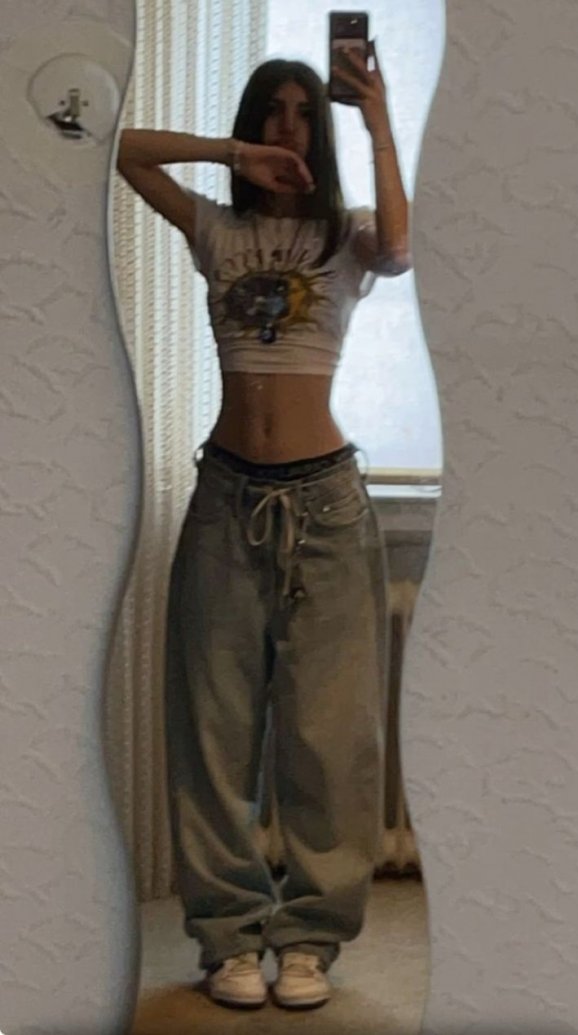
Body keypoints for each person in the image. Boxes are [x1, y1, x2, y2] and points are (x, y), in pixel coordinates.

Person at [117, 41, 411, 1011]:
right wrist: (230, 155)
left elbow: (401, 248)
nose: (288, 124)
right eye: (272, 111)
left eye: (301, 112)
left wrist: (374, 117)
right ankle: (229, 935)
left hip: (327, 504)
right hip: (226, 498)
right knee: (213, 732)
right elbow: (121, 150)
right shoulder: (218, 229)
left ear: (319, 131)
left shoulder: (345, 238)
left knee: (330, 738)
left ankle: (311, 938)